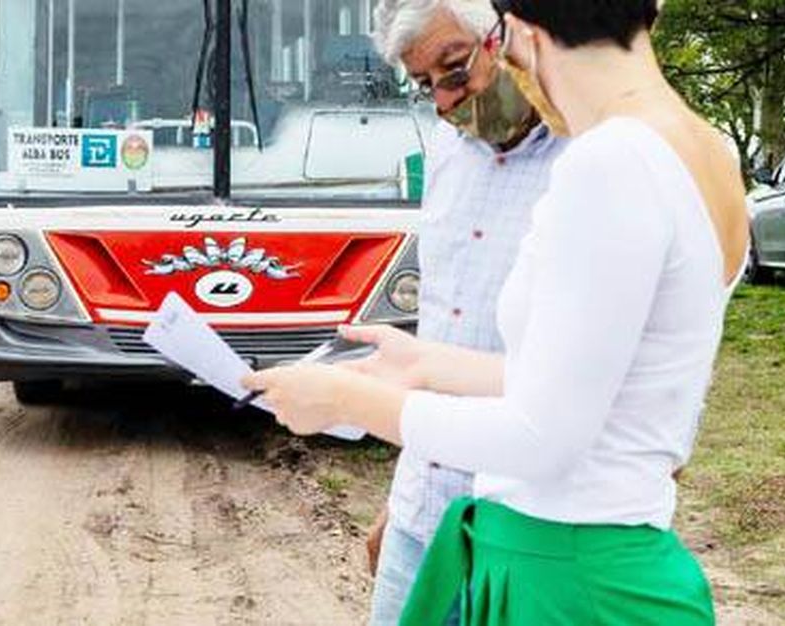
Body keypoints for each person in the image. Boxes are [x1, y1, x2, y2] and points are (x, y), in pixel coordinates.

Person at [244, 0, 748, 623]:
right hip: (605, 556)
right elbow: (597, 379)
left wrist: (345, 401)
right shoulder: (698, 149)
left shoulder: (608, 161)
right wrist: (427, 365)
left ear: (518, 33)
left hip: (563, 572)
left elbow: (542, 436)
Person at [361, 1, 567, 624]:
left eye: (455, 72)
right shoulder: (446, 156)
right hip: (423, 514)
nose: (447, 103)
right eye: (426, 87)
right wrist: (399, 503)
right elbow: (442, 327)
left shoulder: (588, 166)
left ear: (507, 38)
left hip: (532, 530)